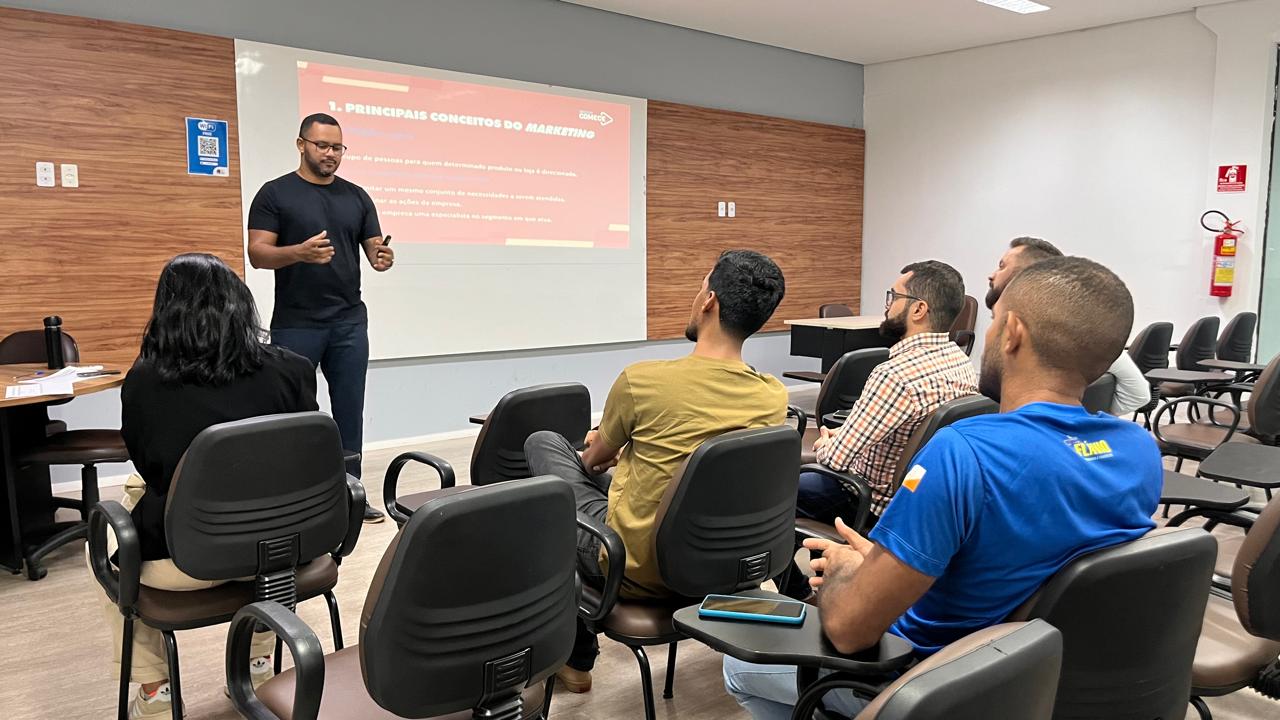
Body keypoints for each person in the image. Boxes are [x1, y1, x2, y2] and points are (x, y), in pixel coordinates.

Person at [723, 257, 1162, 719]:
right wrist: (877, 567)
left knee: (739, 665)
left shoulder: (964, 454)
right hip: (1033, 677)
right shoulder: (1139, 450)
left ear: (1012, 332)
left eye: (994, 324)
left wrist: (845, 573)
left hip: (930, 683)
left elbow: (850, 630)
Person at [524, 250, 790, 693]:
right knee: (612, 482)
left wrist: (606, 451)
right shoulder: (772, 397)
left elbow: (589, 464)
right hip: (719, 567)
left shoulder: (641, 381)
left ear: (709, 301)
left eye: (700, 284)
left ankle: (576, 656)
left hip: (637, 570)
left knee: (546, 450)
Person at [98, 254, 319, 718]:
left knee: (106, 539)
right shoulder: (294, 369)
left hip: (185, 561)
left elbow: (153, 471)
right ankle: (260, 669)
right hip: (284, 552)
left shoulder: (145, 382)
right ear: (242, 303)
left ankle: (156, 696)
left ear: (167, 310)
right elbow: (307, 461)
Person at [247, 112, 393, 523]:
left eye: (337, 148)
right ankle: (293, 498)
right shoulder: (274, 194)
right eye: (322, 146)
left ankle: (351, 494)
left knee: (350, 410)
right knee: (292, 413)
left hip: (349, 322)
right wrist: (298, 252)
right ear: (301, 145)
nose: (331, 155)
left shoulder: (357, 196)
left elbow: (374, 249)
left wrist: (382, 257)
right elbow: (258, 254)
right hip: (296, 323)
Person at [799, 261, 978, 527]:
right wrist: (849, 432)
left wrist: (828, 442)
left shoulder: (895, 374)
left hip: (867, 502)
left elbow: (834, 459)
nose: (887, 305)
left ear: (918, 309)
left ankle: (787, 570)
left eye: (894, 297)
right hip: (917, 499)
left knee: (774, 491)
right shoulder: (962, 363)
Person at [987, 236, 1150, 415]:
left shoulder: (1078, 336)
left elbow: (1139, 394)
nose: (992, 274)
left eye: (1002, 266)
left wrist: (1085, 420)